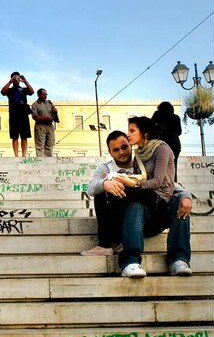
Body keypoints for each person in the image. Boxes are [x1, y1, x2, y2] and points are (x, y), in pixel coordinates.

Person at [81, 130, 193, 258]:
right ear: (110, 152)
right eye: (116, 150)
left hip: (148, 218)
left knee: (172, 199)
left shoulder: (143, 163)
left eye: (124, 147)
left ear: (130, 145)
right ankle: (107, 243)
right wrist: (105, 184)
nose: (121, 152)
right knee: (102, 190)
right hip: (123, 219)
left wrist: (186, 195)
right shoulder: (105, 168)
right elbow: (90, 189)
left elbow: (167, 184)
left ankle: (179, 258)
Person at [106, 117, 191, 278]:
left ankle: (179, 260)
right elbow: (141, 178)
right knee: (133, 202)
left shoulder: (162, 149)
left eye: (132, 130)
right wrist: (118, 177)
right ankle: (130, 262)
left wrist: (186, 196)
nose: (128, 134)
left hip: (164, 201)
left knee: (179, 203)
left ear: (144, 133)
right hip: (148, 206)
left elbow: (159, 181)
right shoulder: (138, 154)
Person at [1, 71, 34, 157]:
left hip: (23, 114)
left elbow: (32, 91)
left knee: (24, 136)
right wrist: (10, 82)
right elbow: (2, 92)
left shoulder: (23, 89)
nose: (16, 80)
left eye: (18, 78)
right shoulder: (9, 90)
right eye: (14, 78)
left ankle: (24, 154)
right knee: (14, 136)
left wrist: (25, 82)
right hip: (13, 114)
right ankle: (16, 154)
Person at [151, 101, 182, 181]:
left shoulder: (157, 116)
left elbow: (151, 128)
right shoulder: (176, 117)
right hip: (174, 143)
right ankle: (174, 184)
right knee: (173, 166)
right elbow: (179, 132)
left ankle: (162, 185)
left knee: (160, 166)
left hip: (162, 143)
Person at [30, 88, 58, 157]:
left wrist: (55, 112)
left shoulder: (50, 103)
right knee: (40, 145)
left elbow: (55, 115)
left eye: (46, 94)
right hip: (40, 126)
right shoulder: (35, 104)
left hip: (50, 126)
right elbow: (34, 116)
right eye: (43, 94)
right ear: (39, 95)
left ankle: (49, 160)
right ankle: (40, 161)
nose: (45, 96)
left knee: (50, 144)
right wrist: (45, 118)